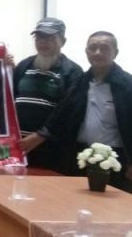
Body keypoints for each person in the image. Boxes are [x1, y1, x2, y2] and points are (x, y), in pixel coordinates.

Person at [30, 31, 132, 194]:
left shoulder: (129, 85)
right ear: (86, 52)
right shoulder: (79, 83)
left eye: (104, 48)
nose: (97, 52)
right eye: (93, 48)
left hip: (115, 161)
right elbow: (59, 117)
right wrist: (37, 137)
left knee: (114, 207)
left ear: (115, 52)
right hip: (79, 158)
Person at [13, 18, 83, 170]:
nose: (43, 42)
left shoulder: (73, 72)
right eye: (39, 38)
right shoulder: (24, 65)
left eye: (50, 38)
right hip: (18, 146)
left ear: (63, 41)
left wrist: (40, 136)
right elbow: (8, 99)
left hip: (51, 150)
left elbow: (68, 112)